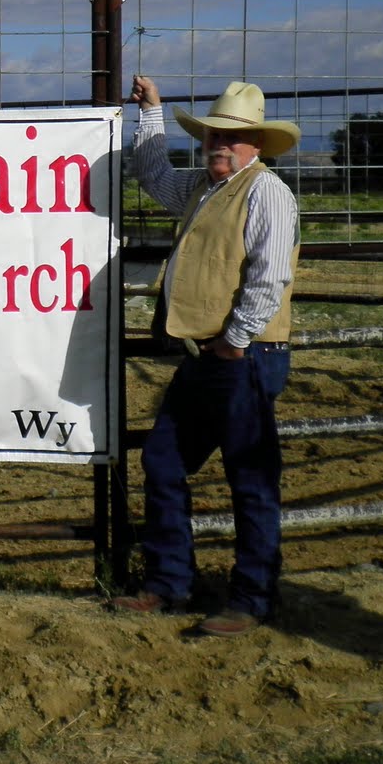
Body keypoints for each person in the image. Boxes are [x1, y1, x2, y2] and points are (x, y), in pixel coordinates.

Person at [114, 77, 301, 636]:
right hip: (212, 354)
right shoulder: (203, 187)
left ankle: (250, 597)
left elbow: (270, 276)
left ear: (256, 145)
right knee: (164, 461)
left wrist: (236, 339)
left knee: (249, 475)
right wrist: (151, 113)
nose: (219, 144)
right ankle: (173, 581)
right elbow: (154, 176)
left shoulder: (267, 193)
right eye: (213, 135)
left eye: (231, 137)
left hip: (243, 354)